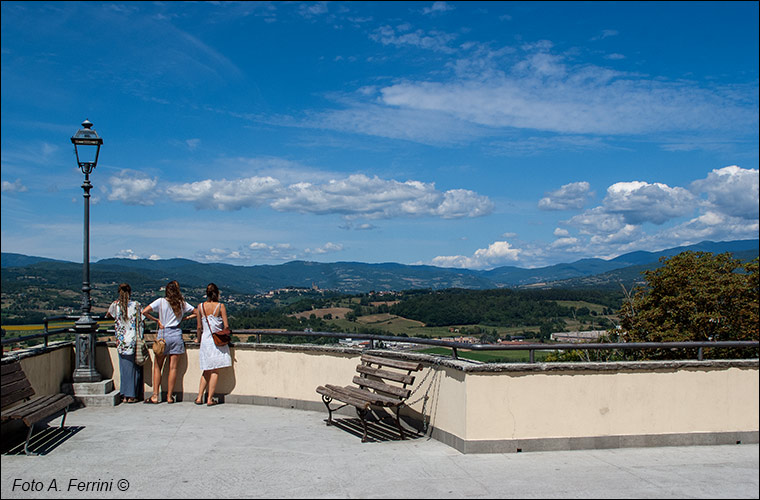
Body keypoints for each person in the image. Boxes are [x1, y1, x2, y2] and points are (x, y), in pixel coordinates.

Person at [141, 280, 195, 404]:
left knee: (157, 366)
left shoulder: (160, 302)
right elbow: (197, 312)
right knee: (173, 368)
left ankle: (155, 395)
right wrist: (184, 318)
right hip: (176, 334)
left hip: (163, 335)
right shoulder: (182, 304)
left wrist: (157, 320)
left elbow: (144, 312)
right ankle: (170, 396)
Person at [105, 283, 143, 404]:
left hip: (120, 341)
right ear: (130, 292)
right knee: (133, 368)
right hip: (132, 340)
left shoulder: (115, 305)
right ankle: (131, 394)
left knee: (124, 369)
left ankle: (125, 394)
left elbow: (108, 315)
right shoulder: (136, 305)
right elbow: (141, 320)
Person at [195, 283, 232, 406]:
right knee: (215, 370)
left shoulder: (200, 307)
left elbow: (199, 327)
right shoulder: (221, 306)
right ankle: (210, 398)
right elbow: (226, 326)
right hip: (216, 340)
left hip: (205, 340)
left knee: (206, 369)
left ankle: (199, 397)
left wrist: (198, 339)